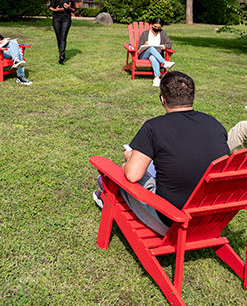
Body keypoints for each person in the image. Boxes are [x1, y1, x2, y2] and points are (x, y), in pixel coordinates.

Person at [94, 72, 229, 235]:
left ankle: (108, 193)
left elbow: (133, 176)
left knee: (125, 173)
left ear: (162, 99)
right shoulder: (214, 124)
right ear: (191, 97)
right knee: (154, 162)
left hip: (172, 219)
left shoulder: (154, 127)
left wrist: (128, 162)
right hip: (211, 216)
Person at [137, 16, 175, 87]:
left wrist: (165, 46)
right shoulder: (145, 34)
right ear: (152, 24)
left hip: (156, 56)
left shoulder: (163, 33)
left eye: (158, 27)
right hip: (144, 55)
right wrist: (144, 45)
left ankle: (157, 78)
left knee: (153, 57)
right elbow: (139, 47)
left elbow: (169, 44)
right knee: (151, 48)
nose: (156, 28)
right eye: (155, 26)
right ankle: (164, 63)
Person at [49, 0, 76, 64]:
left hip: (66, 19)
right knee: (58, 37)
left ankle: (61, 56)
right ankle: (62, 53)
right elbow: (50, 7)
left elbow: (74, 10)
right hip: (56, 18)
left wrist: (69, 8)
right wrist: (56, 10)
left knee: (63, 37)